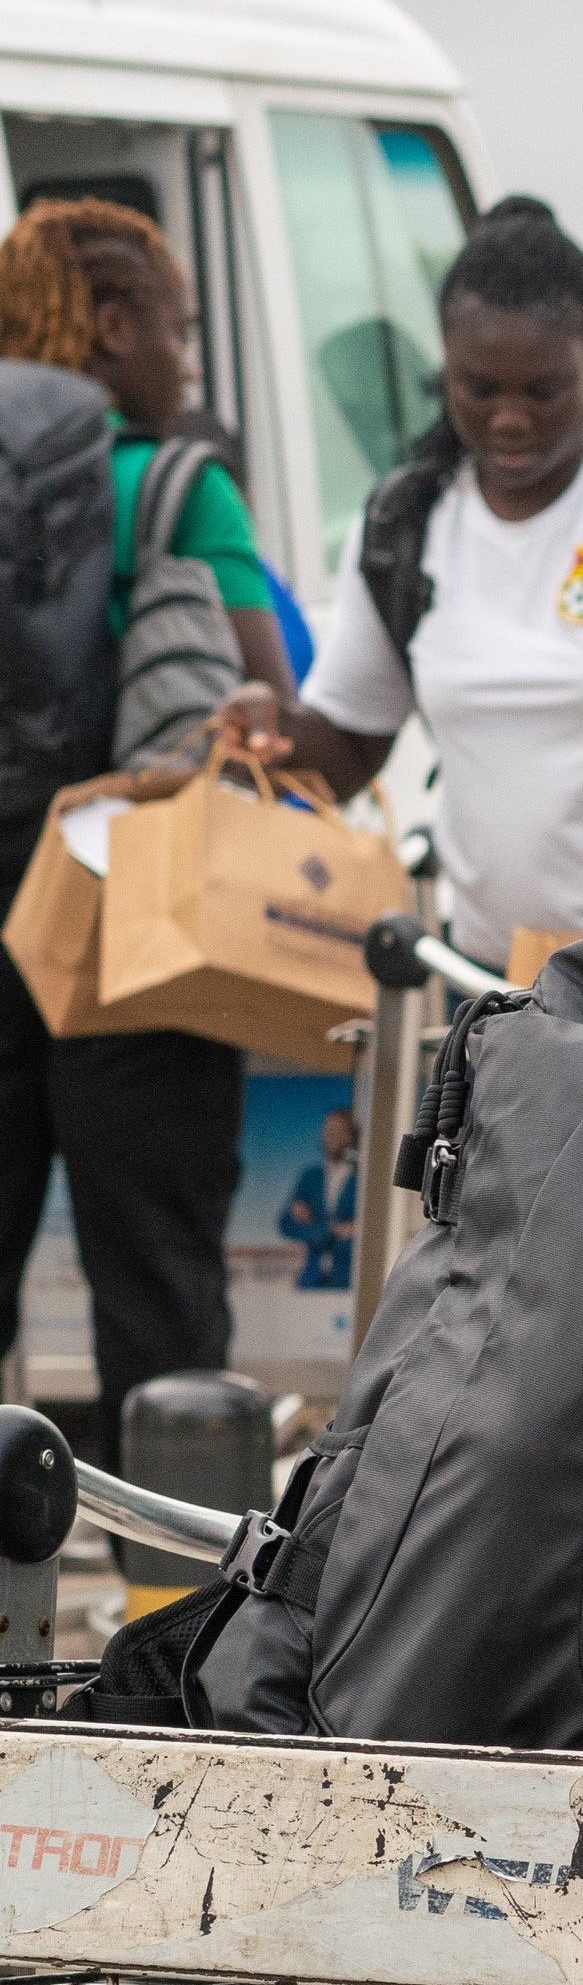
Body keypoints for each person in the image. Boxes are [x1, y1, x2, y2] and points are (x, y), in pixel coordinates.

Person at [221, 201, 583, 966]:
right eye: (477, 390)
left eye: (540, 391)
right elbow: (347, 747)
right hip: (487, 983)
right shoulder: (406, 524)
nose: (508, 419)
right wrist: (269, 731)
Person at [0, 197, 299, 1447]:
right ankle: (166, 1624)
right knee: (162, 1307)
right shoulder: (172, 486)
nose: (187, 363)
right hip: (136, 936)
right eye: (178, 333)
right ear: (113, 325)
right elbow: (266, 707)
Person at [279, 1107, 357, 1293]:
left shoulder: (361, 1178)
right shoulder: (311, 1177)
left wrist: (312, 1221)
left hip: (347, 1279)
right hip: (312, 1278)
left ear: (350, 1136)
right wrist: (331, 1230)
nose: (332, 1136)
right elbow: (286, 1223)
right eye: (328, 1131)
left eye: (339, 1131)